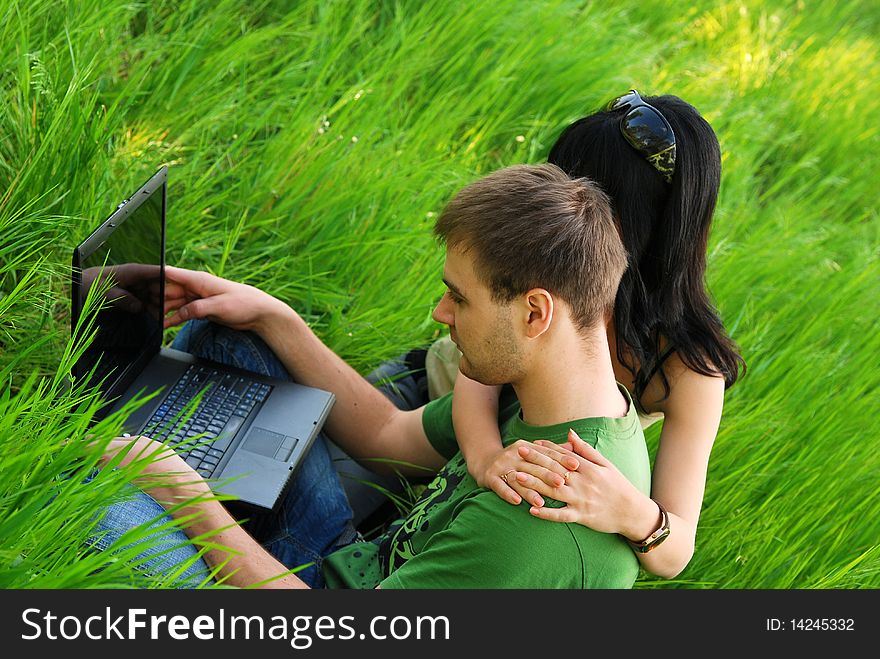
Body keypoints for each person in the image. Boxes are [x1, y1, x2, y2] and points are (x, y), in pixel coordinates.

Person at [95, 163, 650, 589]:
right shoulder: (553, 392)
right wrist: (275, 317)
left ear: (535, 313)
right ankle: (127, 446)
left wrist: (188, 498)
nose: (440, 314)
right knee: (233, 337)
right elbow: (389, 435)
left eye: (459, 298)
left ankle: (114, 466)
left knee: (104, 512)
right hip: (342, 561)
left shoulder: (536, 518)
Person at [423, 90, 745, 578]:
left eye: (575, 186)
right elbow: (478, 374)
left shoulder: (686, 365)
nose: (559, 201)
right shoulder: (547, 287)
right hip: (459, 388)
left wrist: (633, 512)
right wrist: (485, 457)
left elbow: (675, 551)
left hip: (520, 468)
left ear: (617, 221)